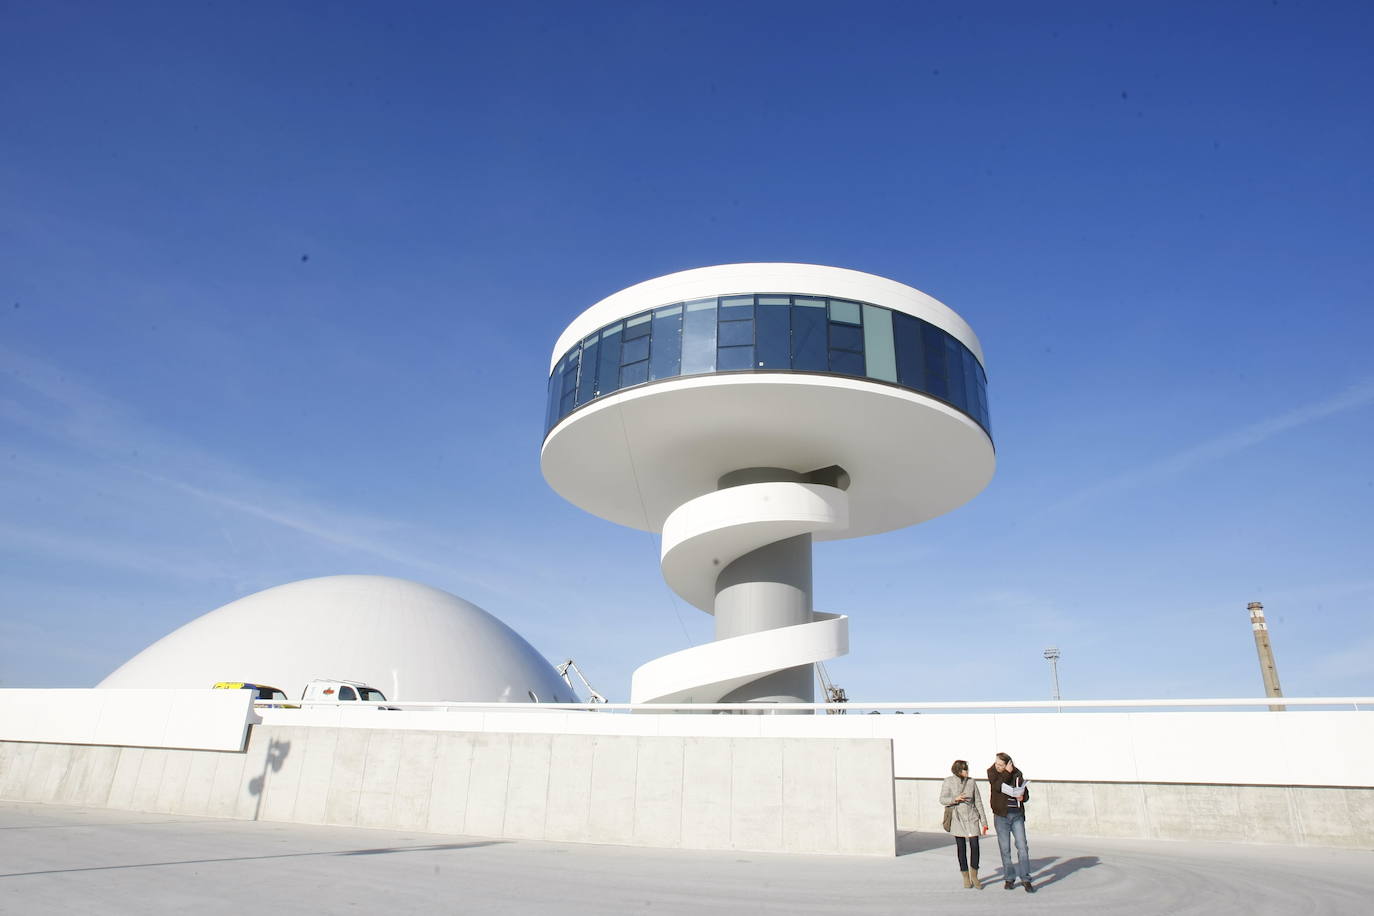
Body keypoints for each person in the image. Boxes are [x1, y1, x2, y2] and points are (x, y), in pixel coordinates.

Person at [938, 759, 989, 889]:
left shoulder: (971, 782)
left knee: (975, 845)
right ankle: (966, 876)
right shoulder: (948, 781)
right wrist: (955, 799)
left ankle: (975, 875)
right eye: (964, 769)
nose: (967, 771)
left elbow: (978, 801)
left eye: (967, 769)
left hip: (971, 817)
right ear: (958, 771)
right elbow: (942, 799)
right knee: (961, 848)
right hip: (957, 818)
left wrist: (984, 821)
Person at [988, 751, 1034, 892]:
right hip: (1001, 816)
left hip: (1017, 815)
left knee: (1022, 847)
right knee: (1005, 849)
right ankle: (1009, 878)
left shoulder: (1017, 773)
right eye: (997, 763)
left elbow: (1024, 792)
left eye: (1001, 764)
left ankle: (1025, 878)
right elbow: (997, 786)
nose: (998, 766)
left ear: (1009, 764)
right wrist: (1006, 773)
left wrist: (1023, 797)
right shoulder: (992, 772)